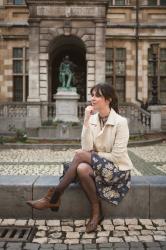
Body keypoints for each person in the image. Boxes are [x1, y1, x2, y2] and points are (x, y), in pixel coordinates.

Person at [26, 83, 133, 233]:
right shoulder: (94, 119)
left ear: (108, 100)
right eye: (92, 95)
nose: (93, 99)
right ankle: (96, 212)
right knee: (82, 168)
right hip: (98, 168)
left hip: (117, 171)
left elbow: (117, 156)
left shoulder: (120, 122)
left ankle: (54, 196)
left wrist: (90, 155)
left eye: (97, 96)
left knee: (80, 156)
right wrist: (86, 122)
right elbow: (86, 147)